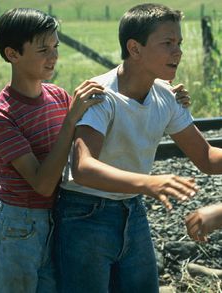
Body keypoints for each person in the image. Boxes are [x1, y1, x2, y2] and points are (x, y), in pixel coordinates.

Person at [54, 3, 222, 292]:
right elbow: (82, 167)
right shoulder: (101, 96)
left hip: (133, 210)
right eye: (167, 43)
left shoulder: (166, 97)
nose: (178, 51)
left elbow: (207, 158)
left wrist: (144, 187)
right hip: (85, 215)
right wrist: (149, 182)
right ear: (135, 48)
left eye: (179, 43)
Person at [0, 8, 104, 293]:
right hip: (19, 227)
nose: (53, 57)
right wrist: (71, 120)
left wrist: (161, 93)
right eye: (42, 50)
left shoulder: (57, 96)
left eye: (55, 47)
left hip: (57, 219)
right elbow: (41, 184)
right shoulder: (0, 116)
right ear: (12, 54)